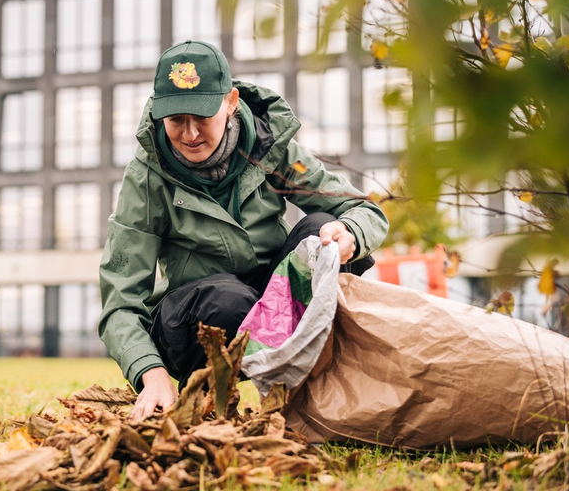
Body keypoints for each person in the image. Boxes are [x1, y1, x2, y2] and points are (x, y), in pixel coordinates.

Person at [99, 40, 389, 421]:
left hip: (276, 301)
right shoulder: (146, 178)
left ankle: (318, 389)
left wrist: (351, 231)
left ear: (231, 102)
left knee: (322, 232)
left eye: (202, 116)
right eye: (175, 120)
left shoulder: (270, 148)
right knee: (229, 301)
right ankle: (212, 395)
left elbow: (363, 209)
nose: (189, 134)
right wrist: (150, 374)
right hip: (197, 320)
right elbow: (120, 301)